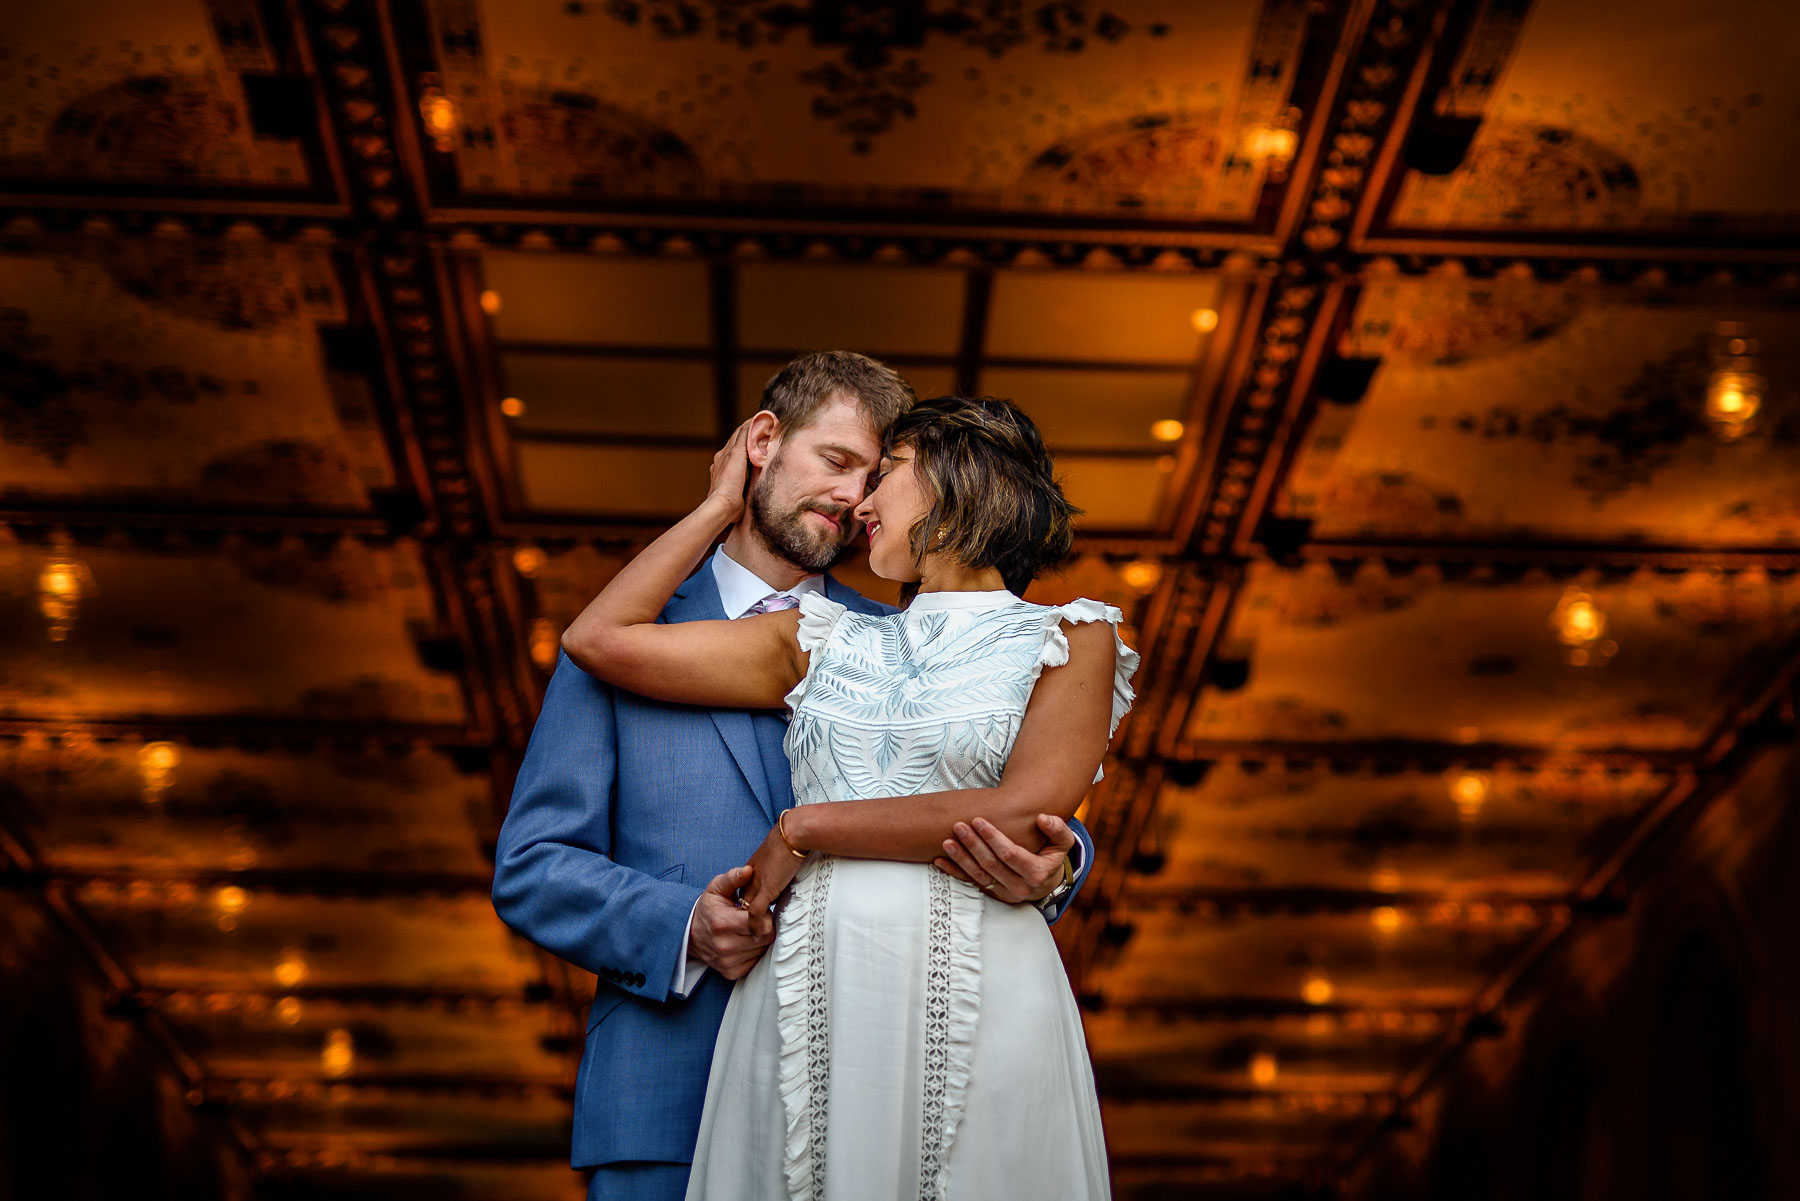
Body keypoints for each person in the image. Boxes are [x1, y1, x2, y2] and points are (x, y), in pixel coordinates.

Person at [491, 353, 1099, 1201]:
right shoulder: (636, 633)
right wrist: (684, 927)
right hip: (671, 1090)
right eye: (838, 461)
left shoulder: (909, 632)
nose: (855, 497)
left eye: (876, 474)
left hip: (875, 1073)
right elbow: (532, 865)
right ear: (763, 442)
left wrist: (1063, 853)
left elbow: (1003, 775)